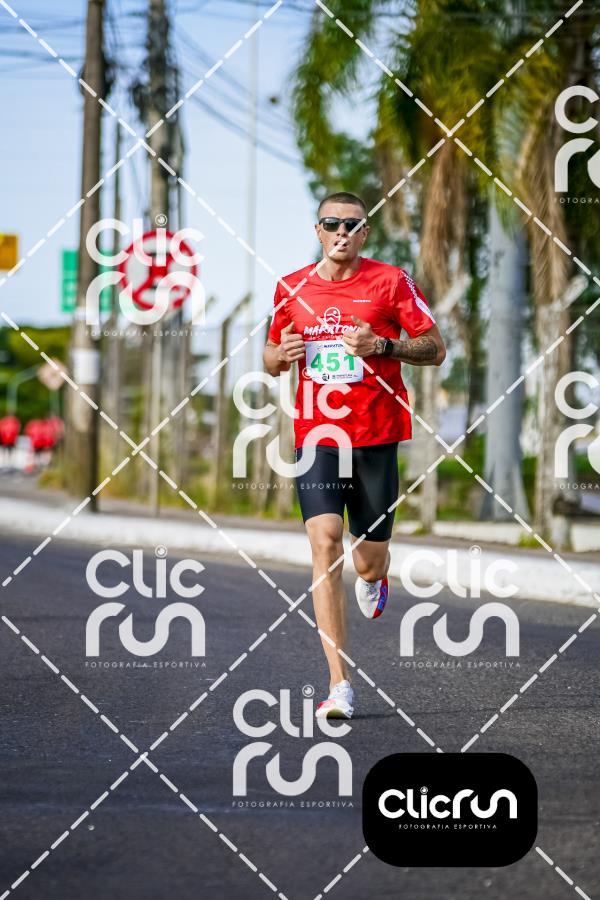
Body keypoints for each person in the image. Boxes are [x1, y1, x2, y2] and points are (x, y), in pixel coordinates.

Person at [263, 192, 446, 719]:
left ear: (365, 233)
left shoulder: (391, 282)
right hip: (317, 436)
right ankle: (338, 682)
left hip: (375, 435)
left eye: (352, 225)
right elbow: (271, 355)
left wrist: (383, 347)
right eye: (331, 223)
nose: (341, 232)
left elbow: (435, 348)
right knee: (325, 543)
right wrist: (281, 355)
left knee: (367, 560)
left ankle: (374, 576)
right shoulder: (291, 287)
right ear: (317, 231)